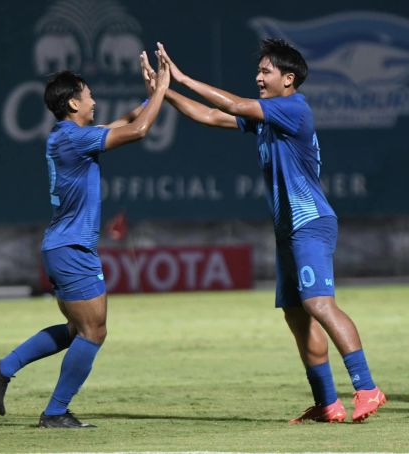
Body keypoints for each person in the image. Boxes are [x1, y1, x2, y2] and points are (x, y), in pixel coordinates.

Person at [145, 39, 385, 423]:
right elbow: (209, 116)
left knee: (319, 304)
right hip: (289, 231)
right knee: (297, 316)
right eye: (258, 71)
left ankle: (368, 388)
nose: (258, 77)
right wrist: (163, 92)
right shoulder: (269, 116)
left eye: (265, 71)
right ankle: (328, 404)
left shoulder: (293, 108)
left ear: (288, 79)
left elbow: (233, 105)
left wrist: (183, 76)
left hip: (310, 223)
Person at [0, 54, 171, 429]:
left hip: (65, 247)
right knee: (93, 331)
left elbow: (124, 123)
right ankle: (54, 412)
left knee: (76, 331)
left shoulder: (69, 137)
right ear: (72, 103)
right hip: (71, 248)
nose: (94, 101)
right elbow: (138, 132)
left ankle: (2, 369)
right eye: (89, 96)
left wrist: (150, 98)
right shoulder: (72, 139)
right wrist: (163, 90)